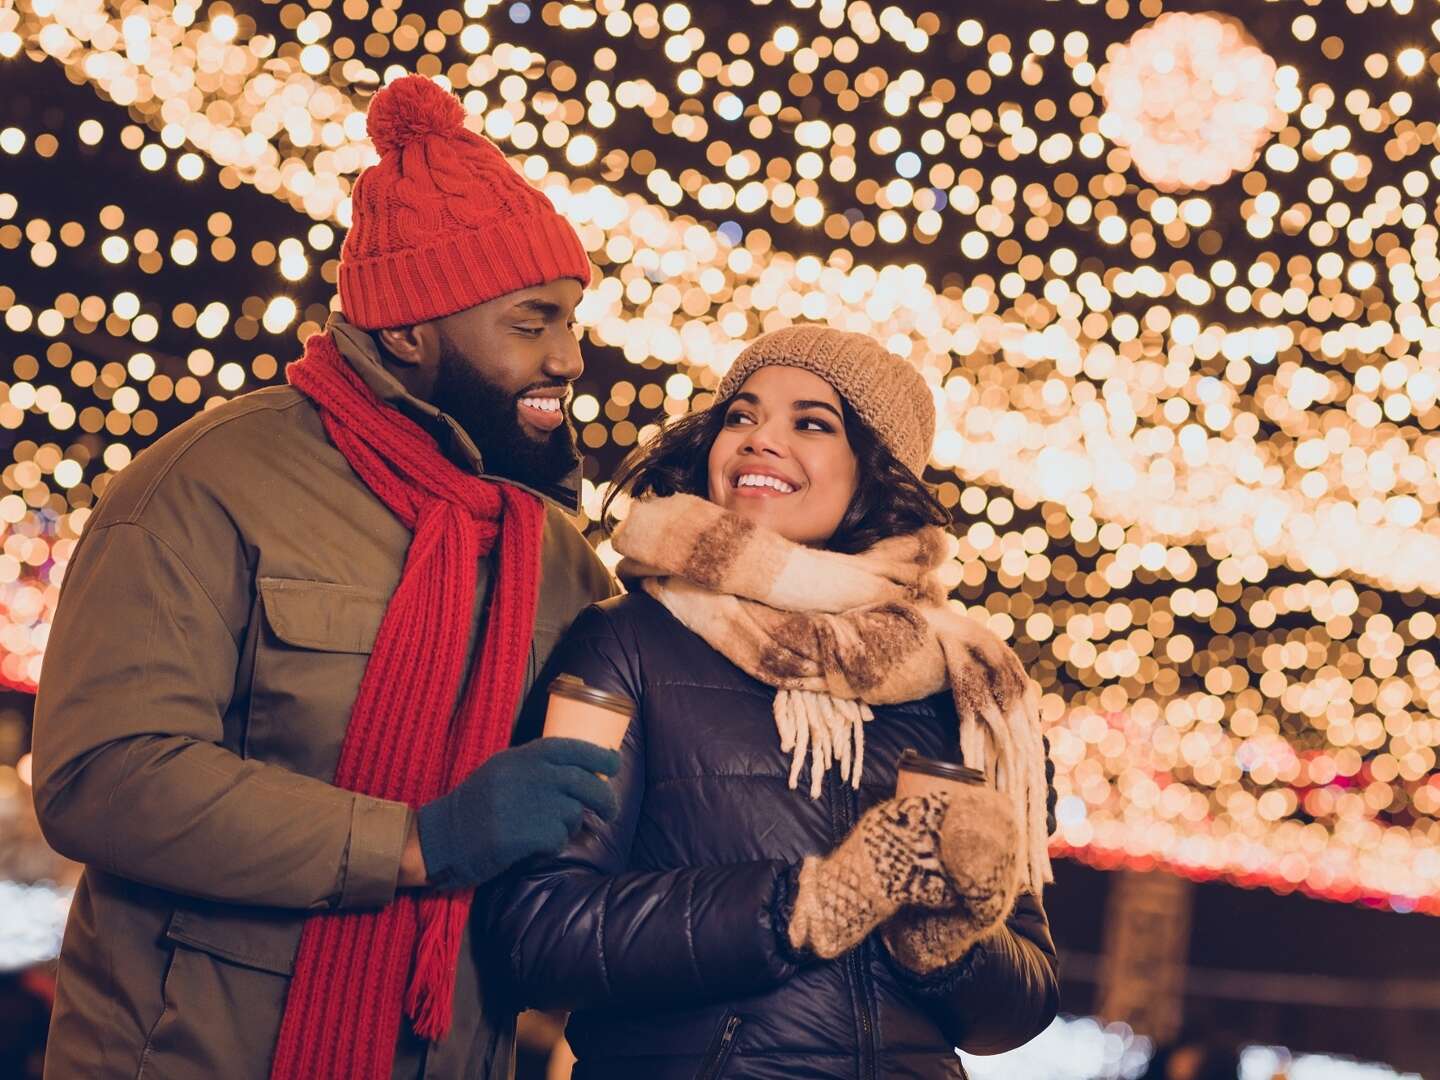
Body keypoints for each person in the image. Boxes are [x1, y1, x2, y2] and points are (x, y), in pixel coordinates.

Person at [31, 75, 620, 1080]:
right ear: (407, 329)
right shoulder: (208, 485)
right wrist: (417, 842)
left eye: (571, 319)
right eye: (531, 322)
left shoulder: (554, 556)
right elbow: (103, 777)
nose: (569, 356)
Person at [483, 326, 1060, 1078]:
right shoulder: (629, 642)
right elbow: (535, 934)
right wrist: (804, 905)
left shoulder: (967, 685)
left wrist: (944, 944)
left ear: (874, 470)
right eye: (741, 416)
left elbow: (1024, 1004)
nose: (760, 440)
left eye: (811, 423)